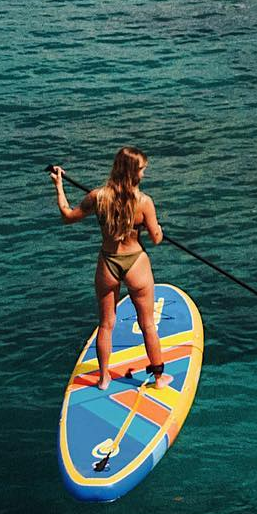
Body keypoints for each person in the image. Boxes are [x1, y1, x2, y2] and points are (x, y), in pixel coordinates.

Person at [50, 148, 168, 391]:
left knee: (106, 325)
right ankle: (158, 379)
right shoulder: (144, 202)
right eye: (142, 169)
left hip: (108, 263)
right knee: (147, 324)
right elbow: (156, 238)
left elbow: (68, 215)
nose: (145, 173)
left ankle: (104, 379)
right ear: (133, 172)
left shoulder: (98, 197)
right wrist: (155, 228)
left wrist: (59, 186)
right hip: (136, 263)